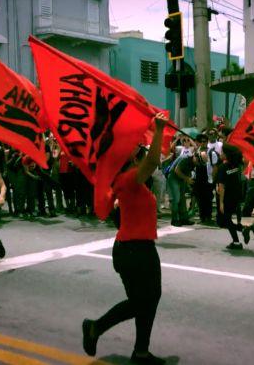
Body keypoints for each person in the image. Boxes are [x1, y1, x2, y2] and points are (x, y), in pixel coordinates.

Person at [82, 113, 168, 365]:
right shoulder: (128, 179)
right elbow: (152, 162)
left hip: (136, 249)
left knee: (146, 302)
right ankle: (95, 327)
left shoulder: (132, 181)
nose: (140, 146)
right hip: (134, 251)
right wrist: (160, 129)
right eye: (137, 146)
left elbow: (152, 162)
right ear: (131, 157)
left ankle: (141, 352)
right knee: (144, 301)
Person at [217, 144, 245, 249]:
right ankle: (240, 229)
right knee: (226, 220)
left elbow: (222, 187)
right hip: (236, 195)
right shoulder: (237, 165)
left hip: (227, 197)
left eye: (222, 152)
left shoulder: (223, 167)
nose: (221, 154)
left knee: (225, 219)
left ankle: (237, 241)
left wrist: (221, 203)